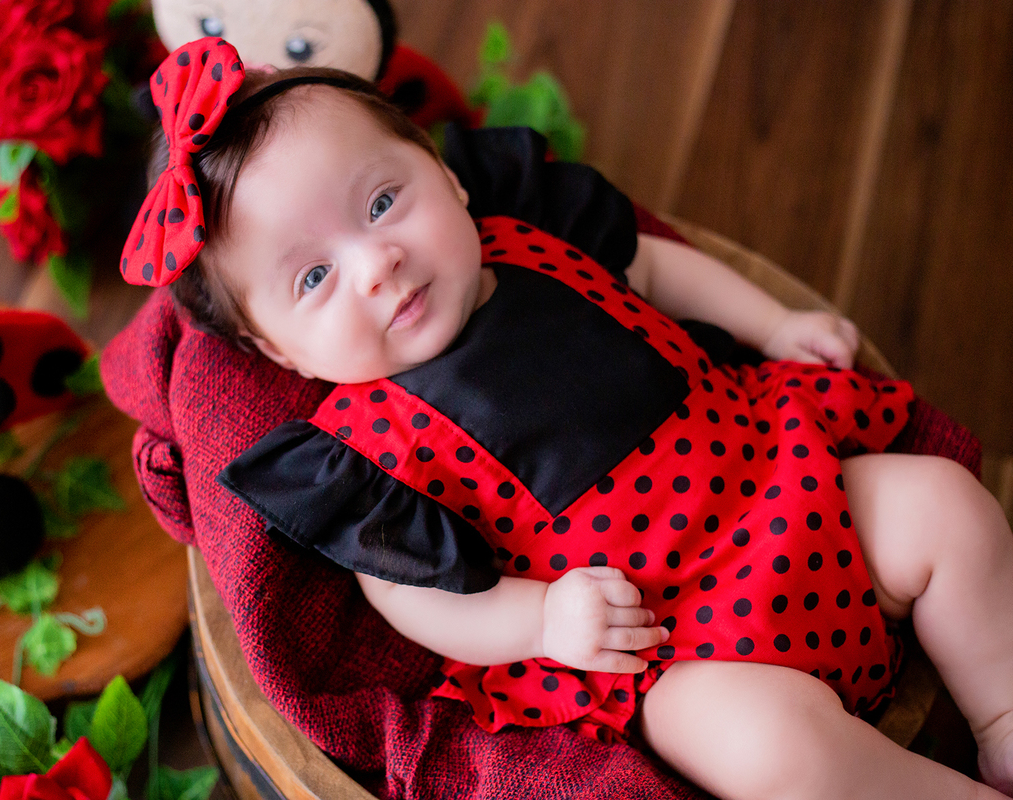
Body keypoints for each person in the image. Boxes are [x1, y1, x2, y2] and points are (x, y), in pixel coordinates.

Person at [118, 38, 1013, 800]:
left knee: (945, 508)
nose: (377, 262)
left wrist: (772, 325)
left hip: (784, 483)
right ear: (281, 355)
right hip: (671, 639)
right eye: (314, 278)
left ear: (445, 175)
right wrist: (544, 621)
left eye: (383, 202)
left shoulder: (532, 241)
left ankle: (1004, 716)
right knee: (776, 752)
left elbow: (655, 270)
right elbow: (415, 596)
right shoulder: (361, 451)